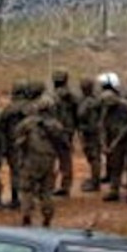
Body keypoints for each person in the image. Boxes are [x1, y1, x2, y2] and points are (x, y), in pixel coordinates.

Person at [14, 97, 67, 227]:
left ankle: (26, 215)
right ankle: (47, 218)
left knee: (27, 190)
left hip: (30, 160)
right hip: (48, 161)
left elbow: (17, 138)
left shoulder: (26, 123)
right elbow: (63, 144)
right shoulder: (56, 125)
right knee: (46, 192)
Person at [98, 74, 127, 204]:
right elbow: (102, 126)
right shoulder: (107, 109)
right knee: (115, 165)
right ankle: (114, 190)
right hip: (114, 140)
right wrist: (104, 144)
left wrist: (119, 136)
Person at [0, 81, 30, 209]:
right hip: (30, 144)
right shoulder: (32, 107)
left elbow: (0, 127)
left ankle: (16, 199)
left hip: (13, 144)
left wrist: (2, 147)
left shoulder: (9, 109)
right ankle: (30, 198)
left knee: (15, 172)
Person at [50, 70, 76, 198]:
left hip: (54, 129)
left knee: (52, 157)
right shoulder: (72, 95)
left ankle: (49, 186)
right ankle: (65, 186)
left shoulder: (52, 96)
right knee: (66, 159)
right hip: (67, 129)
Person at [76, 76, 104, 192]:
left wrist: (85, 129)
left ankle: (95, 183)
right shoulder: (86, 100)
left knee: (94, 158)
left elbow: (92, 122)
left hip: (92, 133)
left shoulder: (90, 102)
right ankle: (94, 179)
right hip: (89, 132)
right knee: (92, 158)